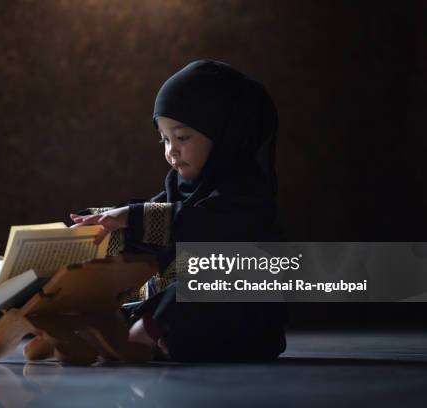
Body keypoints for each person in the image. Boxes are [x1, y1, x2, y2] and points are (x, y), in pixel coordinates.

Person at [70, 59, 288, 362]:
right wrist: (95, 224)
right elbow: (151, 220)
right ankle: (115, 328)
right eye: (164, 139)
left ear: (224, 135)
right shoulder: (180, 184)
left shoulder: (244, 190)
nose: (171, 150)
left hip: (241, 315)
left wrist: (130, 218)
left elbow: (194, 223)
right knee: (116, 258)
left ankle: (142, 335)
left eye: (182, 138)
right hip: (177, 300)